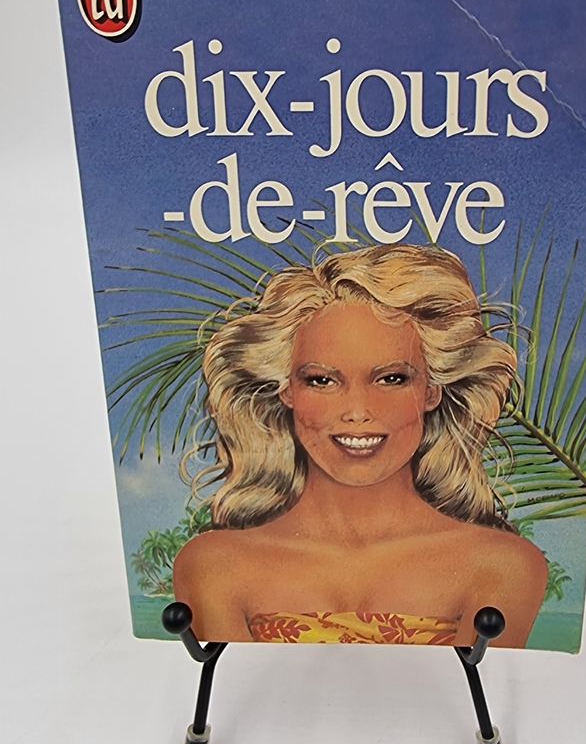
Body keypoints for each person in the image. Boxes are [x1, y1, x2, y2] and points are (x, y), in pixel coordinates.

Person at [173, 244, 547, 646]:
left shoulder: (503, 566)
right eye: (322, 380)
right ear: (286, 391)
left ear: (432, 391)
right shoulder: (213, 565)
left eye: (391, 379)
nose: (356, 412)